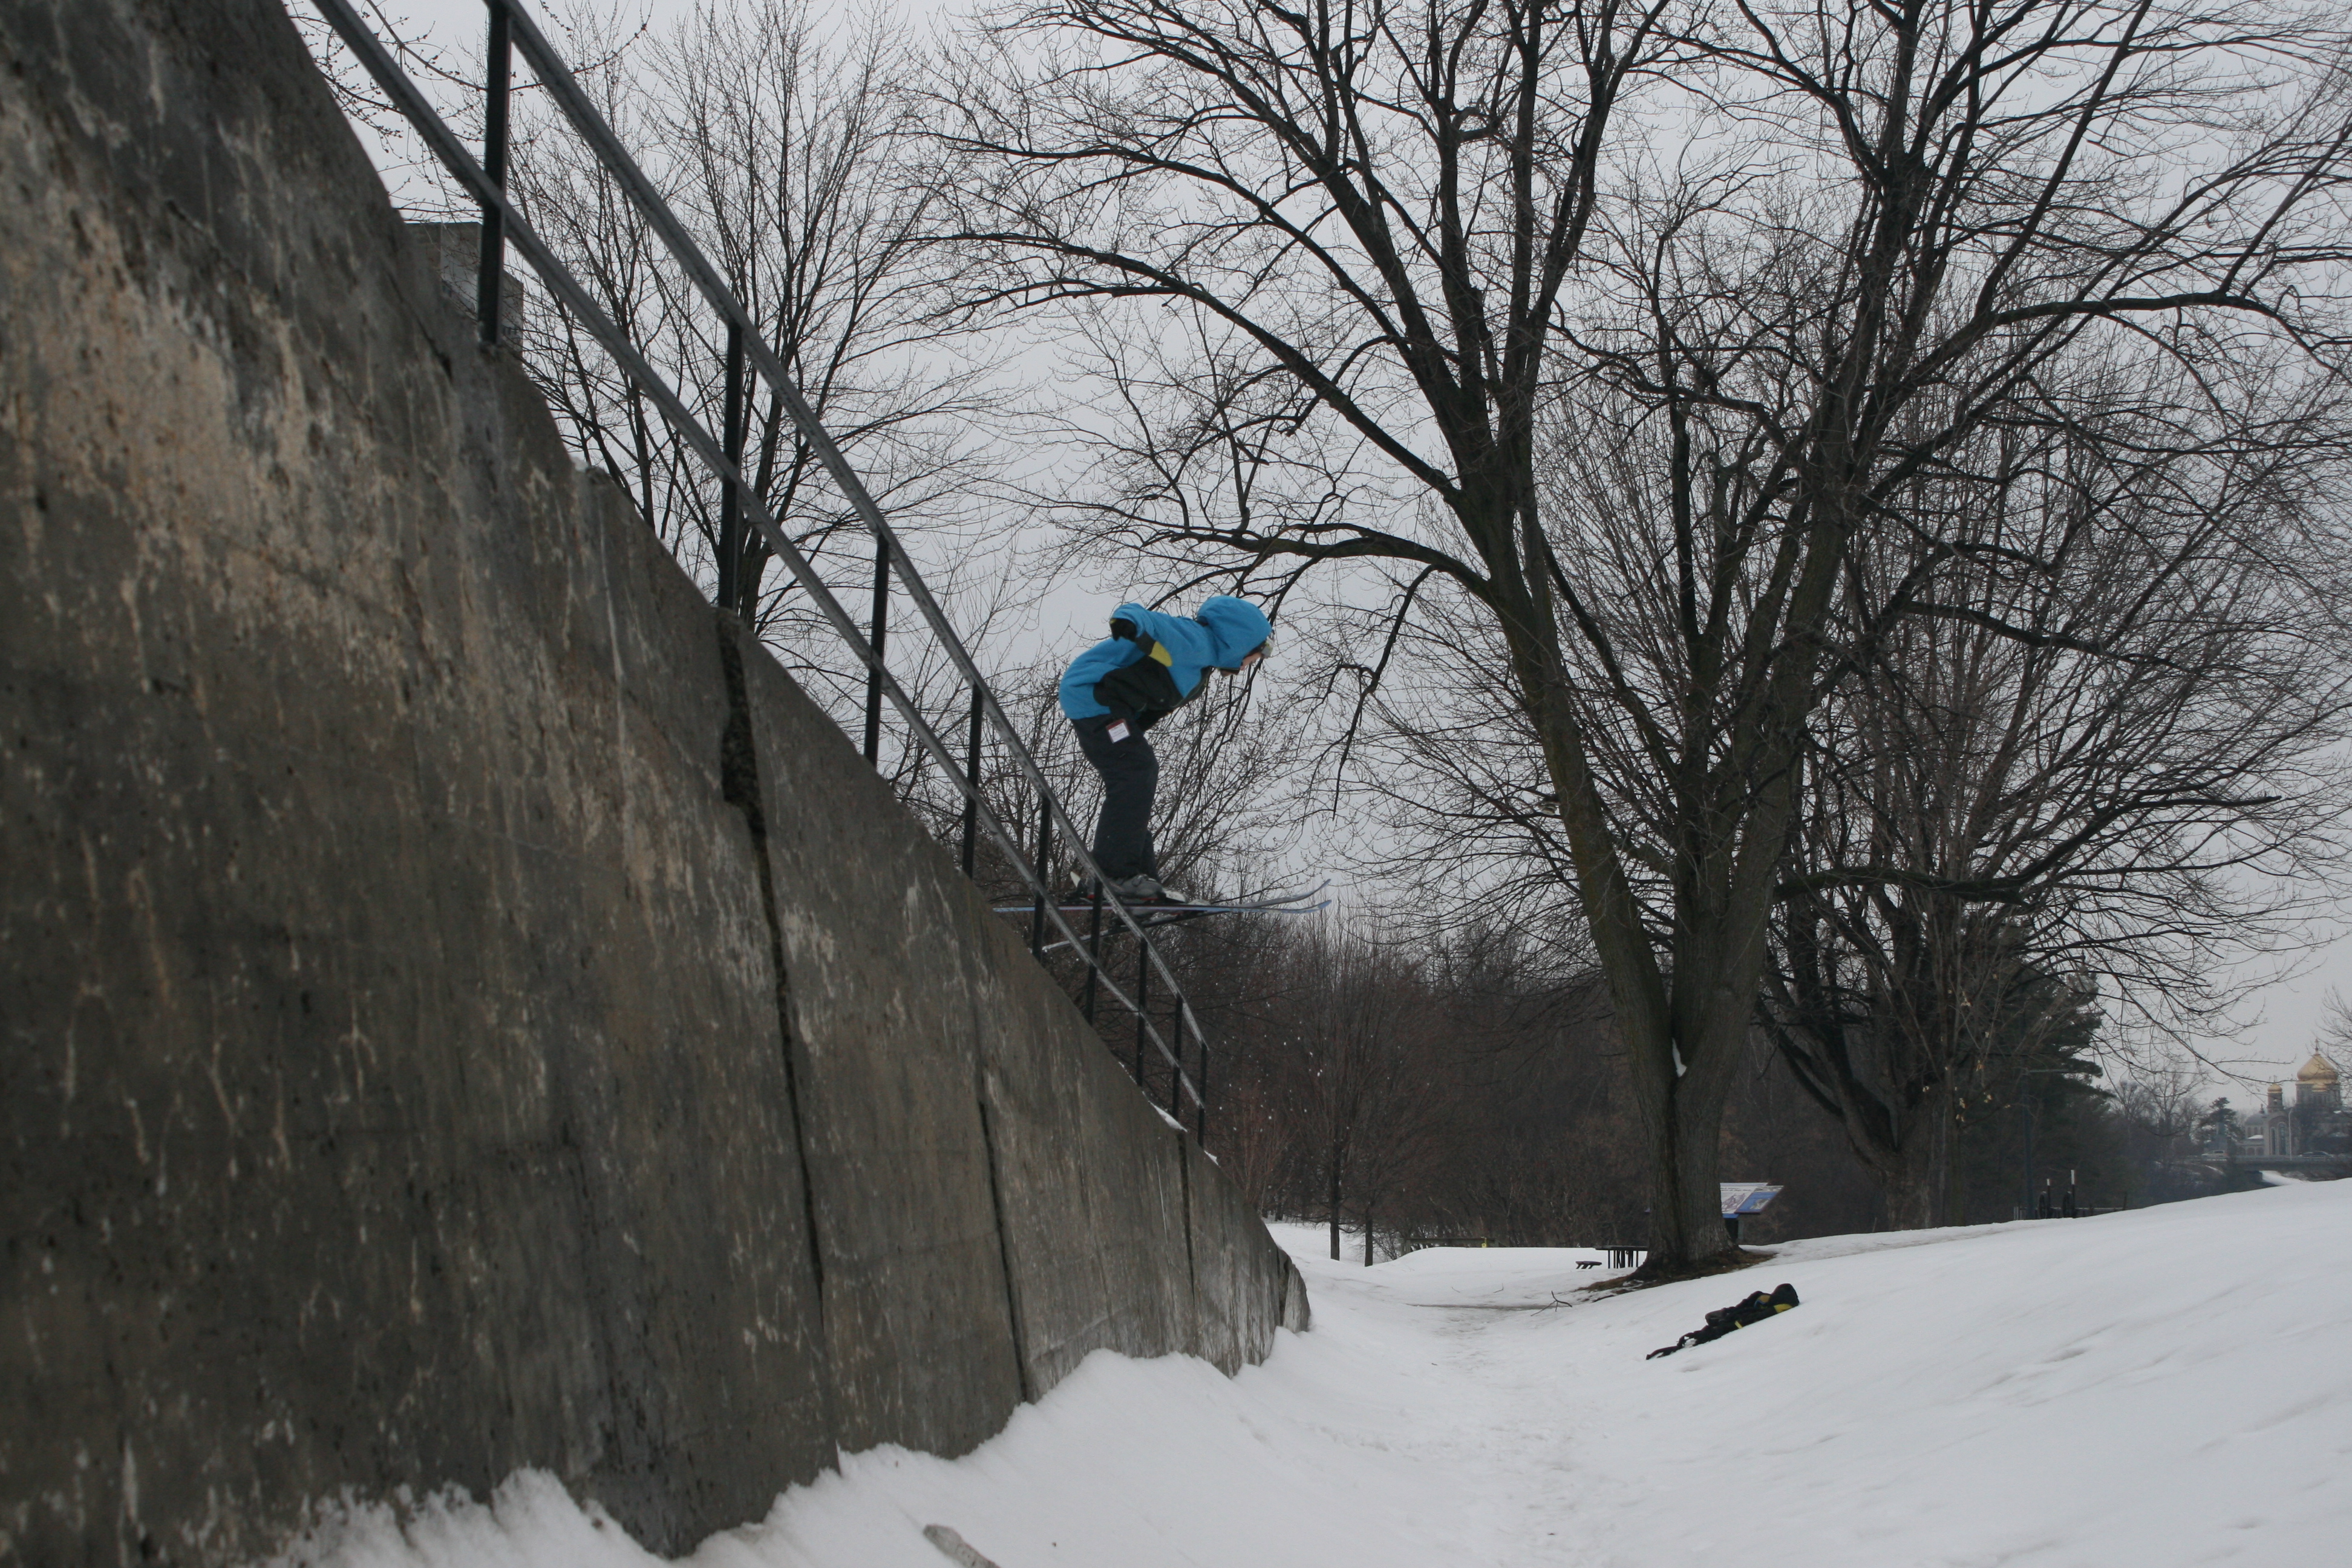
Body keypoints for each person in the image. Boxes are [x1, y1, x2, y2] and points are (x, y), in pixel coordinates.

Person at [1057, 594, 1272, 904]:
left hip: (1110, 708)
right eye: (1258, 654)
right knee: (1137, 772)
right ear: (1241, 642)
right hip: (1094, 696)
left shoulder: (1200, 665)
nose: (1251, 663)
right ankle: (1114, 875)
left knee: (1137, 782)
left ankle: (1141, 884)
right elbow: (1146, 618)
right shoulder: (1194, 639)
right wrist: (1128, 622)